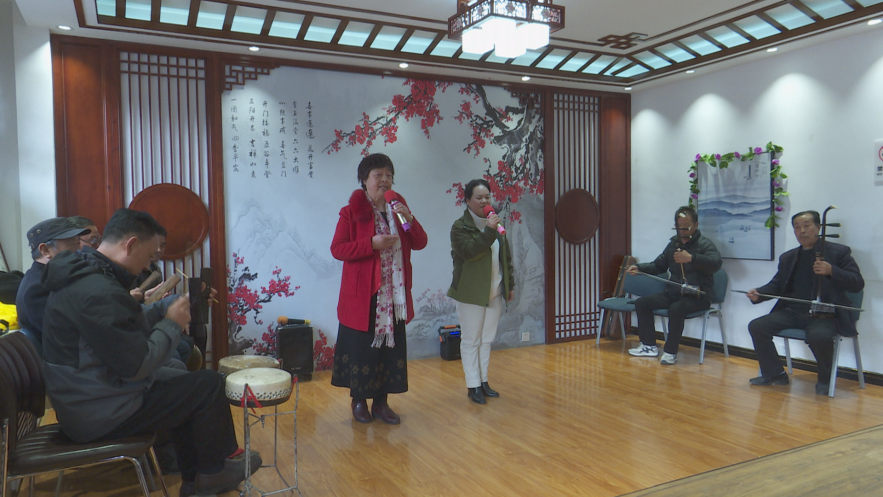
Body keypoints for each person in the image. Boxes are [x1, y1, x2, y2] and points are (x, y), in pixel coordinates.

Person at [41, 208, 260, 497]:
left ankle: (201, 477)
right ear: (130, 245)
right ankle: (210, 473)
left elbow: (121, 324)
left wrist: (169, 306)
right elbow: (137, 366)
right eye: (148, 255)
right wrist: (171, 323)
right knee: (208, 385)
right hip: (96, 412)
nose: (148, 264)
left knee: (185, 384)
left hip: (87, 398)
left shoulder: (87, 274)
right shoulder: (94, 290)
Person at [330, 153, 428, 424]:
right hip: (364, 297)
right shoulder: (351, 212)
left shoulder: (398, 210)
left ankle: (382, 404)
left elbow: (420, 242)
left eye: (389, 175)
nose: (385, 180)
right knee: (363, 351)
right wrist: (370, 244)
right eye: (378, 175)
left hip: (394, 296)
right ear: (365, 180)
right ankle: (359, 401)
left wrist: (409, 218)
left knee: (388, 351)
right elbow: (338, 249)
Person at [746, 210, 864, 395]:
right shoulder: (789, 257)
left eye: (807, 226)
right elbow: (777, 285)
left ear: (818, 227)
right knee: (757, 326)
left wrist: (832, 270)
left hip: (825, 313)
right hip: (794, 312)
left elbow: (857, 283)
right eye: (797, 227)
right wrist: (759, 294)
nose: (802, 231)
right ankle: (775, 374)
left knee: (819, 336)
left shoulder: (839, 252)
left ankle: (825, 379)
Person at [447, 179, 514, 405]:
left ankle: (484, 381)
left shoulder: (495, 224)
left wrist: (510, 285)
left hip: (494, 291)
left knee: (487, 339)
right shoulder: (460, 227)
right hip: (470, 293)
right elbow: (471, 252)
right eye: (479, 198)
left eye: (487, 197)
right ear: (468, 201)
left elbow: (506, 257)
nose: (485, 201)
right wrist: (489, 230)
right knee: (471, 340)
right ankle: (473, 384)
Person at [627, 206, 722, 365]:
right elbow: (658, 266)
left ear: (696, 225)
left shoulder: (705, 245)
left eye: (686, 227)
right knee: (642, 303)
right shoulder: (673, 244)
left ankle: (670, 352)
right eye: (679, 227)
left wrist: (691, 258)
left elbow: (716, 263)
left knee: (676, 309)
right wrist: (639, 268)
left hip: (698, 296)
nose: (682, 231)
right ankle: (648, 346)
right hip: (674, 293)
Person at [15, 217, 90, 353]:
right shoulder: (37, 288)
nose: (79, 251)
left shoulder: (55, 276)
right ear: (45, 250)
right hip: (62, 360)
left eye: (78, 244)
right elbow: (65, 334)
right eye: (72, 246)